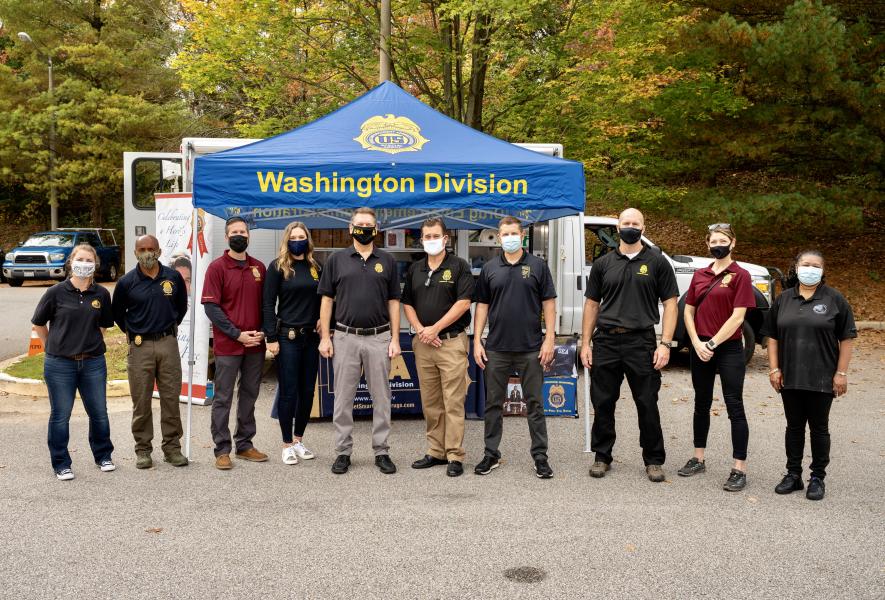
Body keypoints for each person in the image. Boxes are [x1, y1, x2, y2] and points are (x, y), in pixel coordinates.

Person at [580, 208, 678, 482]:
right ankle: (602, 456)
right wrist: (585, 343)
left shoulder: (657, 262)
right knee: (603, 402)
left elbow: (671, 304)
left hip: (641, 342)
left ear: (643, 228)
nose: (630, 227)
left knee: (647, 403)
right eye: (626, 223)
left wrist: (665, 344)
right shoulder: (603, 263)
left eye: (635, 223)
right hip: (606, 341)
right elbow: (592, 304)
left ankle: (654, 460)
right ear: (618, 227)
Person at [762, 250, 856, 501]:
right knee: (793, 427)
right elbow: (772, 337)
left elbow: (847, 338)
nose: (810, 269)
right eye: (806, 264)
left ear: (823, 271)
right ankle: (793, 475)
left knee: (819, 428)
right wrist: (774, 368)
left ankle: (817, 477)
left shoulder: (834, 299)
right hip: (790, 375)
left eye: (816, 265)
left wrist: (841, 373)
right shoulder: (784, 299)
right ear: (796, 267)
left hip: (822, 377)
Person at [318, 207, 401, 475]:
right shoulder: (336, 260)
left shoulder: (387, 260)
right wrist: (325, 337)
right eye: (359, 224)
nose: (364, 229)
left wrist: (395, 338)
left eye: (368, 225)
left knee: (382, 398)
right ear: (350, 228)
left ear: (376, 230)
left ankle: (382, 451)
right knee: (343, 399)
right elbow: (326, 300)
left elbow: (394, 302)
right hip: (345, 337)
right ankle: (343, 452)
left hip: (379, 337)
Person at [473, 216, 557, 479]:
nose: (509, 238)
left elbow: (549, 303)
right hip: (496, 347)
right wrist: (477, 340)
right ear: (499, 238)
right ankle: (491, 454)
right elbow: (482, 306)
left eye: (513, 233)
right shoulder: (489, 268)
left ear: (522, 236)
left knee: (535, 404)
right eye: (505, 234)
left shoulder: (538, 266)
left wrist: (550, 338)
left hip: (531, 347)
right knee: (493, 404)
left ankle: (540, 457)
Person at [678, 224, 755, 491]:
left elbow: (738, 316)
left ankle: (739, 468)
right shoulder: (700, 274)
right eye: (714, 241)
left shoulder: (741, 275)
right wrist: (696, 342)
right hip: (700, 346)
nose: (718, 245)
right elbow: (688, 311)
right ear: (707, 244)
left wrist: (711, 343)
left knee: (735, 405)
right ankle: (698, 458)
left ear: (733, 243)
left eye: (723, 240)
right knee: (701, 403)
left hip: (728, 348)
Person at [32, 243, 115, 480]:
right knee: (61, 415)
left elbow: (103, 326)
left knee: (99, 413)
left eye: (89, 260)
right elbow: (39, 323)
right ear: (71, 262)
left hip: (93, 363)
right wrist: (51, 346)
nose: (84, 264)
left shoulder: (101, 294)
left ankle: (103, 456)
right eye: (80, 259)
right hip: (60, 365)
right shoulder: (55, 292)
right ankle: (61, 463)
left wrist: (90, 343)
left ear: (95, 264)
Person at [402, 217, 474, 477]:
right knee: (431, 401)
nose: (431, 240)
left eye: (435, 236)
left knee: (453, 400)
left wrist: (436, 328)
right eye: (427, 237)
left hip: (450, 343)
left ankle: (454, 454)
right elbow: (407, 303)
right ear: (421, 240)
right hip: (424, 343)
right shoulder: (415, 269)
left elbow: (463, 303)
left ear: (445, 239)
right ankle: (435, 451)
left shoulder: (459, 266)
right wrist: (422, 329)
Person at [111, 235, 189, 469]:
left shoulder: (173, 277)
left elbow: (181, 307)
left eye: (151, 249)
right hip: (139, 347)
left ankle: (172, 448)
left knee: (171, 399)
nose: (147, 253)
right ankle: (143, 450)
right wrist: (135, 331)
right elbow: (118, 314)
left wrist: (167, 327)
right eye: (142, 249)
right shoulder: (126, 282)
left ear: (159, 251)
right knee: (141, 402)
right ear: (135, 252)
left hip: (168, 343)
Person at [201, 216, 268, 470]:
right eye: (234, 232)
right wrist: (236, 334)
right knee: (223, 397)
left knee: (249, 395)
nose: (239, 235)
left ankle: (245, 444)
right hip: (229, 345)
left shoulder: (259, 268)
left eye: (243, 231)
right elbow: (212, 308)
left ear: (249, 236)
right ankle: (222, 449)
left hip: (255, 345)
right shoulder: (216, 268)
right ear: (227, 237)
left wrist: (263, 331)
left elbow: (266, 304)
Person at [263, 221, 321, 465]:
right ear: (287, 240)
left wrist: (324, 320)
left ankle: (298, 440)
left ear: (308, 240)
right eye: (294, 237)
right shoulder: (277, 267)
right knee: (289, 392)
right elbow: (268, 303)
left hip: (311, 337)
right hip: (287, 337)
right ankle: (286, 444)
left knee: (307, 392)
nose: (298, 241)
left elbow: (325, 298)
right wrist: (270, 337)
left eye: (302, 237)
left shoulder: (316, 266)